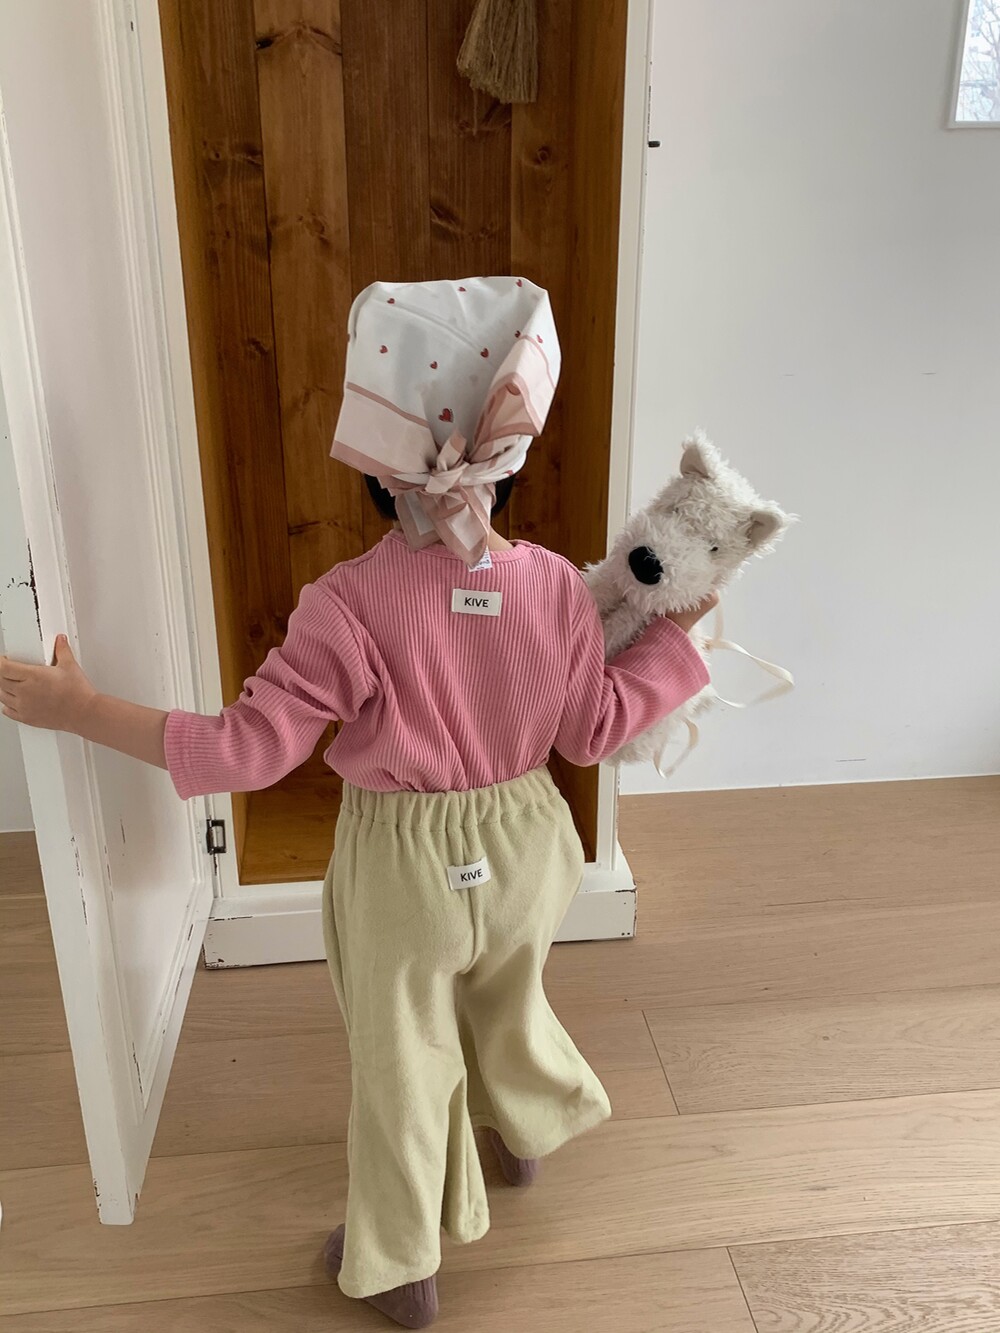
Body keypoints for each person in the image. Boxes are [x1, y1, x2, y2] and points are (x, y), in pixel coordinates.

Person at [0, 276, 715, 1329]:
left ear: (376, 467)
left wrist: (81, 707)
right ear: (510, 457)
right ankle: (524, 1128)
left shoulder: (347, 604)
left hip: (404, 873)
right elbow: (590, 732)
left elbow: (244, 751)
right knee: (505, 992)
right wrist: (675, 643)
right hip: (530, 850)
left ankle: (398, 1262)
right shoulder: (561, 588)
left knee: (402, 1060)